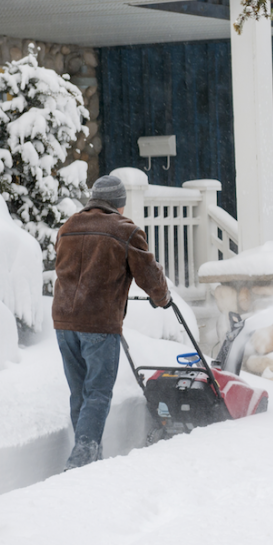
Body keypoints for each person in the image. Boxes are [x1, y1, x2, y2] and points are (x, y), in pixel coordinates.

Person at [52, 174, 170, 470]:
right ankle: (81, 461)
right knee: (98, 393)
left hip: (64, 322)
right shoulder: (125, 230)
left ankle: (89, 456)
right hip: (98, 323)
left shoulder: (68, 227)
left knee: (80, 392)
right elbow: (149, 275)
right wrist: (163, 297)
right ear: (119, 204)